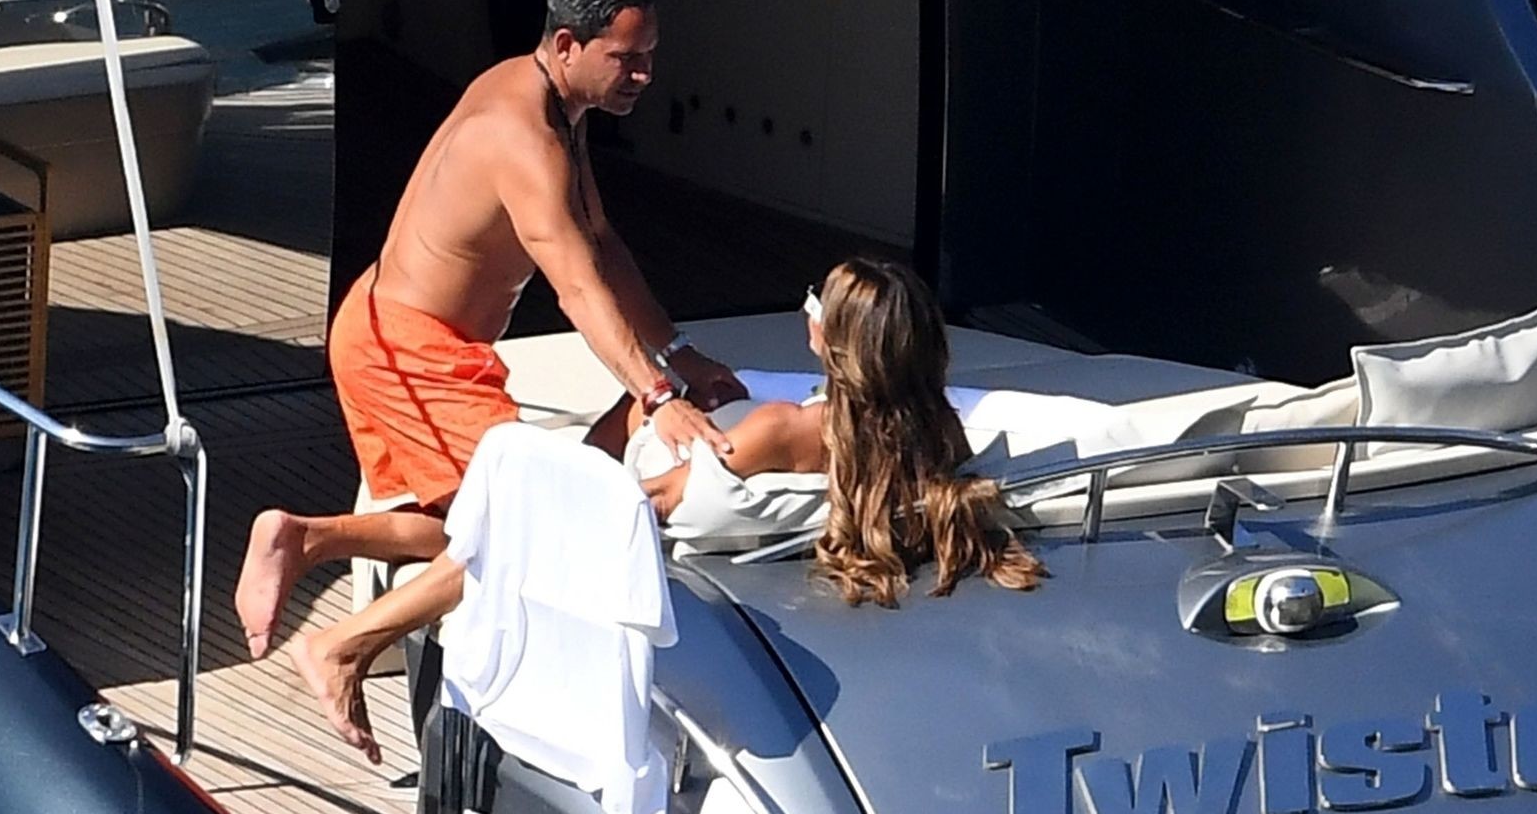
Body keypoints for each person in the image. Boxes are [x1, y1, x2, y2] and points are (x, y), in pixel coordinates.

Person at [293, 258, 1046, 761]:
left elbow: (651, 501)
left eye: (815, 303)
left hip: (649, 519)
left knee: (529, 512)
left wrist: (659, 415)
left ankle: (345, 634)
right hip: (753, 527)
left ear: (830, 339)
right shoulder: (937, 437)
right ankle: (319, 543)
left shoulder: (781, 431)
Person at [233, 0, 747, 668]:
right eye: (626, 59)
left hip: (425, 345)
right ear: (567, 45)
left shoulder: (554, 102)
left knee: (478, 525)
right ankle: (341, 648)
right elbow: (578, 287)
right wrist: (658, 395)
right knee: (522, 525)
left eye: (650, 56)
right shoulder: (525, 136)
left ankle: (307, 539)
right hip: (405, 351)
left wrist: (676, 351)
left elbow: (600, 241)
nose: (644, 75)